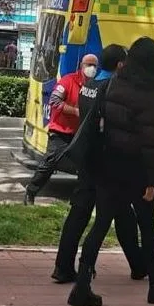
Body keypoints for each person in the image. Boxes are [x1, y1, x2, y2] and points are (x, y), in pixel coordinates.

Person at [68, 37, 154, 306]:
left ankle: (82, 286)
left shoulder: (113, 82)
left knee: (100, 225)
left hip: (108, 166)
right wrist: (151, 181)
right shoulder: (149, 90)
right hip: (137, 170)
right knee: (147, 228)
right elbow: (151, 141)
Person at [24, 54, 98, 205]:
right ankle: (31, 191)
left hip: (79, 133)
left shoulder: (94, 86)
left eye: (95, 65)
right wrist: (75, 111)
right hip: (61, 131)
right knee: (49, 163)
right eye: (89, 64)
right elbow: (54, 100)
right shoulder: (68, 81)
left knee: (85, 167)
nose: (92, 68)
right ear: (81, 65)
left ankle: (78, 201)